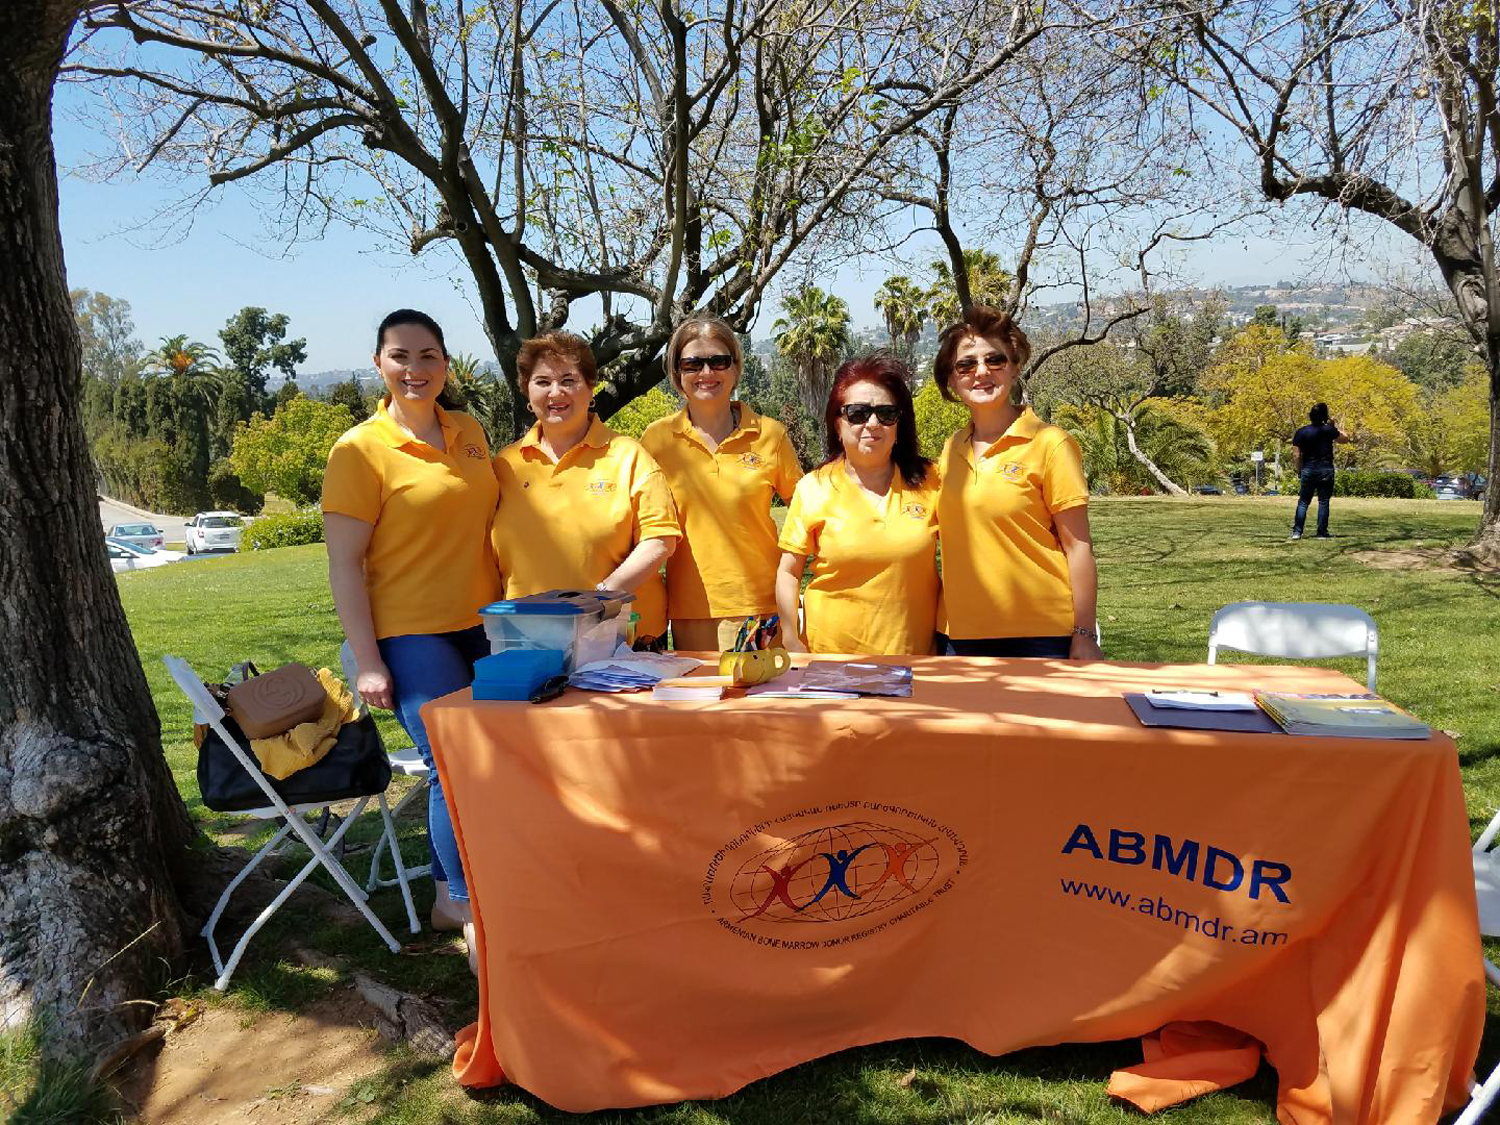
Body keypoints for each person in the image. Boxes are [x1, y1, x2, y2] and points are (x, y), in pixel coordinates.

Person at [322, 309, 500, 957]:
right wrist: (367, 661)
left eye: (428, 355)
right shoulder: (359, 450)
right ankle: (452, 896)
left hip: (484, 629)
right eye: (401, 356)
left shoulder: (469, 431)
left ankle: (493, 882)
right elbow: (344, 563)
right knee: (452, 763)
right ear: (379, 364)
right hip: (409, 634)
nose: (416, 369)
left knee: (496, 761)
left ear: (446, 363)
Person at [933, 305, 1102, 660]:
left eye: (995, 360)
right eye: (966, 364)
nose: (981, 372)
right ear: (952, 378)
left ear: (1014, 368)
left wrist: (1084, 634)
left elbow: (1079, 548)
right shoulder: (951, 449)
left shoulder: (1051, 444)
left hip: (1039, 635)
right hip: (959, 637)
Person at [492, 332, 681, 634]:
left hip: (619, 639)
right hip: (526, 636)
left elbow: (660, 541)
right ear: (526, 390)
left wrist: (599, 599)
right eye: (543, 382)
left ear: (591, 386)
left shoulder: (629, 456)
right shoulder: (505, 466)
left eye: (569, 380)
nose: (556, 393)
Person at [641, 315, 803, 651]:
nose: (706, 373)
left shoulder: (771, 436)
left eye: (718, 361)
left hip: (764, 610)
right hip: (690, 611)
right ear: (676, 373)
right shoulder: (656, 440)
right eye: (692, 363)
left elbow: (806, 517)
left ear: (735, 368)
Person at [775, 353, 940, 655]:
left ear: (899, 425)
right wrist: (790, 638)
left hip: (915, 661)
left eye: (886, 413)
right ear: (837, 424)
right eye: (857, 413)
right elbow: (788, 572)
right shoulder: (814, 488)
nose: (873, 423)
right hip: (830, 664)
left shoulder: (931, 481)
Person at [1289, 402, 1351, 540]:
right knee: (1323, 501)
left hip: (1308, 469)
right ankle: (1321, 532)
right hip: (1325, 469)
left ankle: (1297, 532)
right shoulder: (1328, 430)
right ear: (1325, 416)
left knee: (1303, 501)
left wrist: (1299, 470)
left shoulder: (1301, 432)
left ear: (1310, 415)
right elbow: (1345, 439)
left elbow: (1296, 455)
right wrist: (1334, 426)